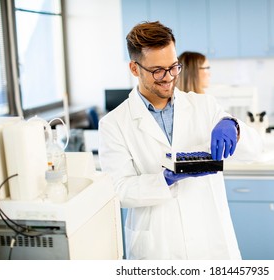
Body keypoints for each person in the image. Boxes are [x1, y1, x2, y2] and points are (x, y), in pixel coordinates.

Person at [98, 21, 263, 260]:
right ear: (134, 68)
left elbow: (255, 150)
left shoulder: (204, 106)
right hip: (159, 248)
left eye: (173, 67)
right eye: (157, 71)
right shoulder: (114, 124)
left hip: (211, 243)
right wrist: (163, 180)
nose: (168, 78)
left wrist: (235, 128)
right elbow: (118, 190)